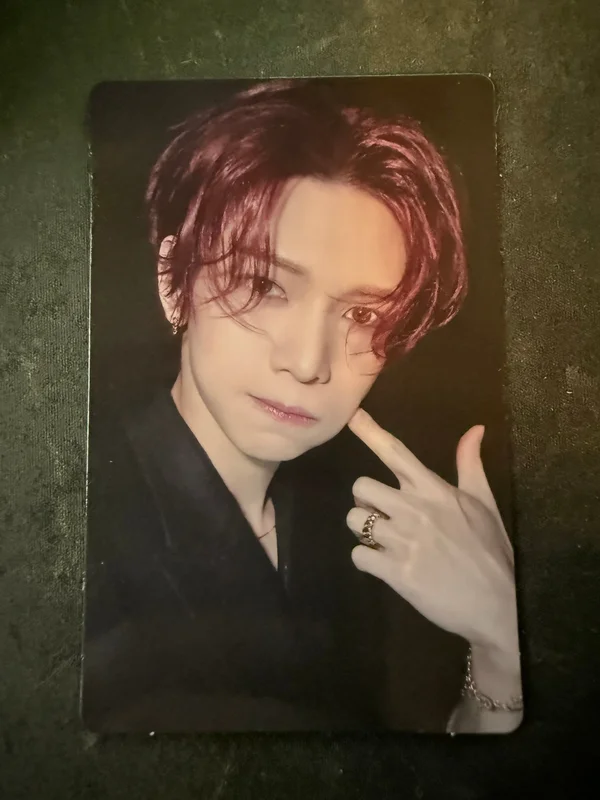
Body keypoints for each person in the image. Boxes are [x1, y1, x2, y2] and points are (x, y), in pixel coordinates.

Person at [82, 79, 522, 733]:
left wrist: (502, 641)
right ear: (174, 283)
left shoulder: (346, 527)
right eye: (263, 285)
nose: (310, 363)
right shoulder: (85, 528)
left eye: (364, 314)